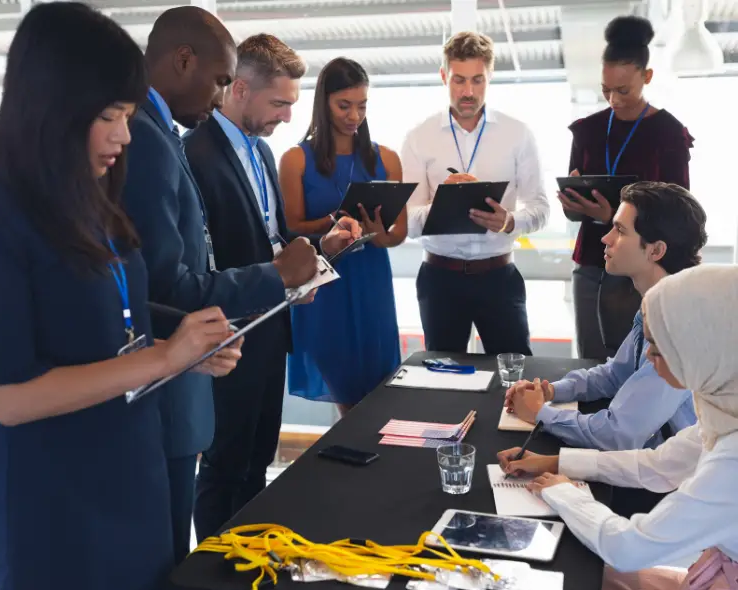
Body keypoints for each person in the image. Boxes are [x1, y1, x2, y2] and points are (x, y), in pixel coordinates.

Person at [0, 4, 242, 590]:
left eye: (128, 116)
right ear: (51, 108)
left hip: (132, 472)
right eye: (109, 116)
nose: (125, 135)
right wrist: (161, 360)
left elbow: (109, 339)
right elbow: (9, 398)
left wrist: (182, 354)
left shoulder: (91, 204)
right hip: (57, 503)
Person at [183, 34, 361, 540]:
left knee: (258, 459)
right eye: (280, 103)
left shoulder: (260, 153)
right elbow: (200, 261)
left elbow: (274, 240)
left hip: (270, 329)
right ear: (239, 88)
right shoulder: (193, 153)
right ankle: (213, 577)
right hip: (225, 338)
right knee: (224, 466)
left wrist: (321, 249)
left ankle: (248, 562)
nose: (287, 117)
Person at [497, 264, 738, 590]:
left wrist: (566, 494)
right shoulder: (726, 410)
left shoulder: (731, 461)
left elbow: (628, 548)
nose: (650, 357)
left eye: (660, 345)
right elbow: (658, 464)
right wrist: (556, 462)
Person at [506, 182, 705, 452]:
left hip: (680, 479)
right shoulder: (657, 302)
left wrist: (540, 413)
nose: (606, 238)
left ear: (656, 250)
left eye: (620, 230)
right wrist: (553, 391)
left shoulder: (680, 325)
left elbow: (618, 435)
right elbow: (615, 375)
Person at [401, 31, 549, 355]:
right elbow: (406, 222)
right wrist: (442, 204)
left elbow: (540, 208)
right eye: (459, 80)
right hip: (439, 278)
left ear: (490, 77)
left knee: (515, 379)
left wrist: (509, 221)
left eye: (478, 80)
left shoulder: (517, 134)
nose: (468, 92)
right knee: (445, 381)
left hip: (499, 276)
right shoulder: (418, 137)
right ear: (444, 76)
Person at [563, 15, 694, 361]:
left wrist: (613, 217)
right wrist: (573, 202)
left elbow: (680, 214)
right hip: (593, 259)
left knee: (640, 361)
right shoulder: (588, 130)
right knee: (591, 361)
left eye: (623, 90)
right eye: (606, 90)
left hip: (645, 265)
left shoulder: (668, 134)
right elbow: (571, 208)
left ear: (646, 76)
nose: (614, 100)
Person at [279, 57, 404, 416]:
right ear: (323, 103)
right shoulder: (295, 160)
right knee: (347, 400)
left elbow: (397, 235)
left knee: (378, 398)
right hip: (325, 287)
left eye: (362, 106)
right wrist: (332, 222)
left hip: (372, 284)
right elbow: (291, 229)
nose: (354, 116)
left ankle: (363, 465)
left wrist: (378, 234)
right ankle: (353, 463)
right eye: (344, 105)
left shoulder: (388, 159)